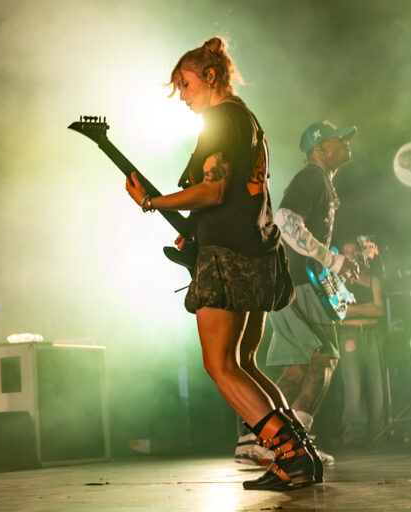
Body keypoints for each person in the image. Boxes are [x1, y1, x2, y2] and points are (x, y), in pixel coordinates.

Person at [125, 37, 321, 490]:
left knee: (221, 365)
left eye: (186, 84)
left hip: (229, 258)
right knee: (244, 361)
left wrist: (152, 201)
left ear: (210, 77)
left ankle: (290, 457)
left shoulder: (219, 119)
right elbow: (233, 195)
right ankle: (300, 454)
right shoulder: (245, 119)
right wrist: (196, 229)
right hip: (256, 251)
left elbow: (213, 189)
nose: (183, 96)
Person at [246, 119, 359, 466]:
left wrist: (335, 267)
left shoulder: (319, 180)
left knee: (296, 369)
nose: (346, 142)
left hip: (286, 283)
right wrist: (333, 261)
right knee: (324, 360)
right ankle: (294, 443)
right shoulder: (312, 177)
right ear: (320, 149)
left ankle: (262, 442)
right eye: (338, 139)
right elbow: (285, 220)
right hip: (298, 284)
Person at [338, 241, 386, 446]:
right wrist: (367, 308)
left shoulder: (373, 279)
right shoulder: (339, 281)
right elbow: (341, 312)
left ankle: (379, 432)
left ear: (360, 254)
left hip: (372, 334)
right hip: (350, 336)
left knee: (377, 385)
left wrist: (354, 310)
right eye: (346, 252)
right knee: (353, 386)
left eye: (354, 251)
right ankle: (353, 434)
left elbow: (379, 310)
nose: (350, 255)